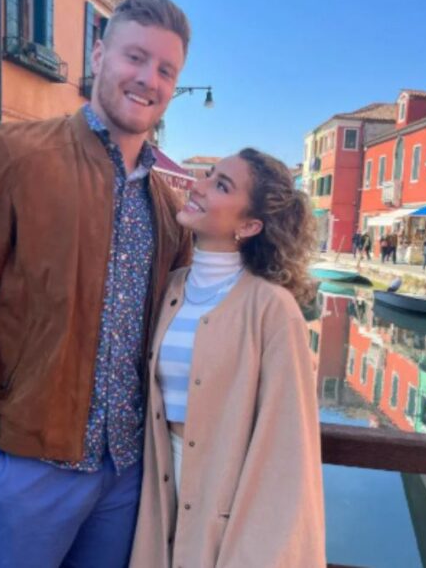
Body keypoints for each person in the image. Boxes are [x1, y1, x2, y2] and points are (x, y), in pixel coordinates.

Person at [0, 0, 192, 568]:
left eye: (165, 70)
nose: (147, 79)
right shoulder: (11, 155)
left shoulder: (164, 202)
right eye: (136, 57)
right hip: (22, 469)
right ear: (100, 54)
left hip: (125, 477)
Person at [130, 149, 325, 567]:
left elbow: (288, 443)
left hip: (232, 493)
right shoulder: (171, 288)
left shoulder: (272, 308)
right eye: (209, 175)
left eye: (221, 185)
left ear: (249, 225)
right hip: (158, 488)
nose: (198, 185)